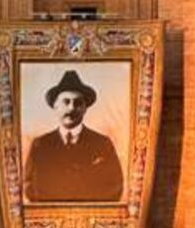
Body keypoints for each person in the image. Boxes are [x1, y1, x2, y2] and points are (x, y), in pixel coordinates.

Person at [23, 69, 124, 202]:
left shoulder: (102, 143)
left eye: (78, 103)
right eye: (66, 102)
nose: (71, 108)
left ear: (85, 108)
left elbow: (115, 186)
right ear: (55, 106)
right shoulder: (40, 145)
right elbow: (29, 186)